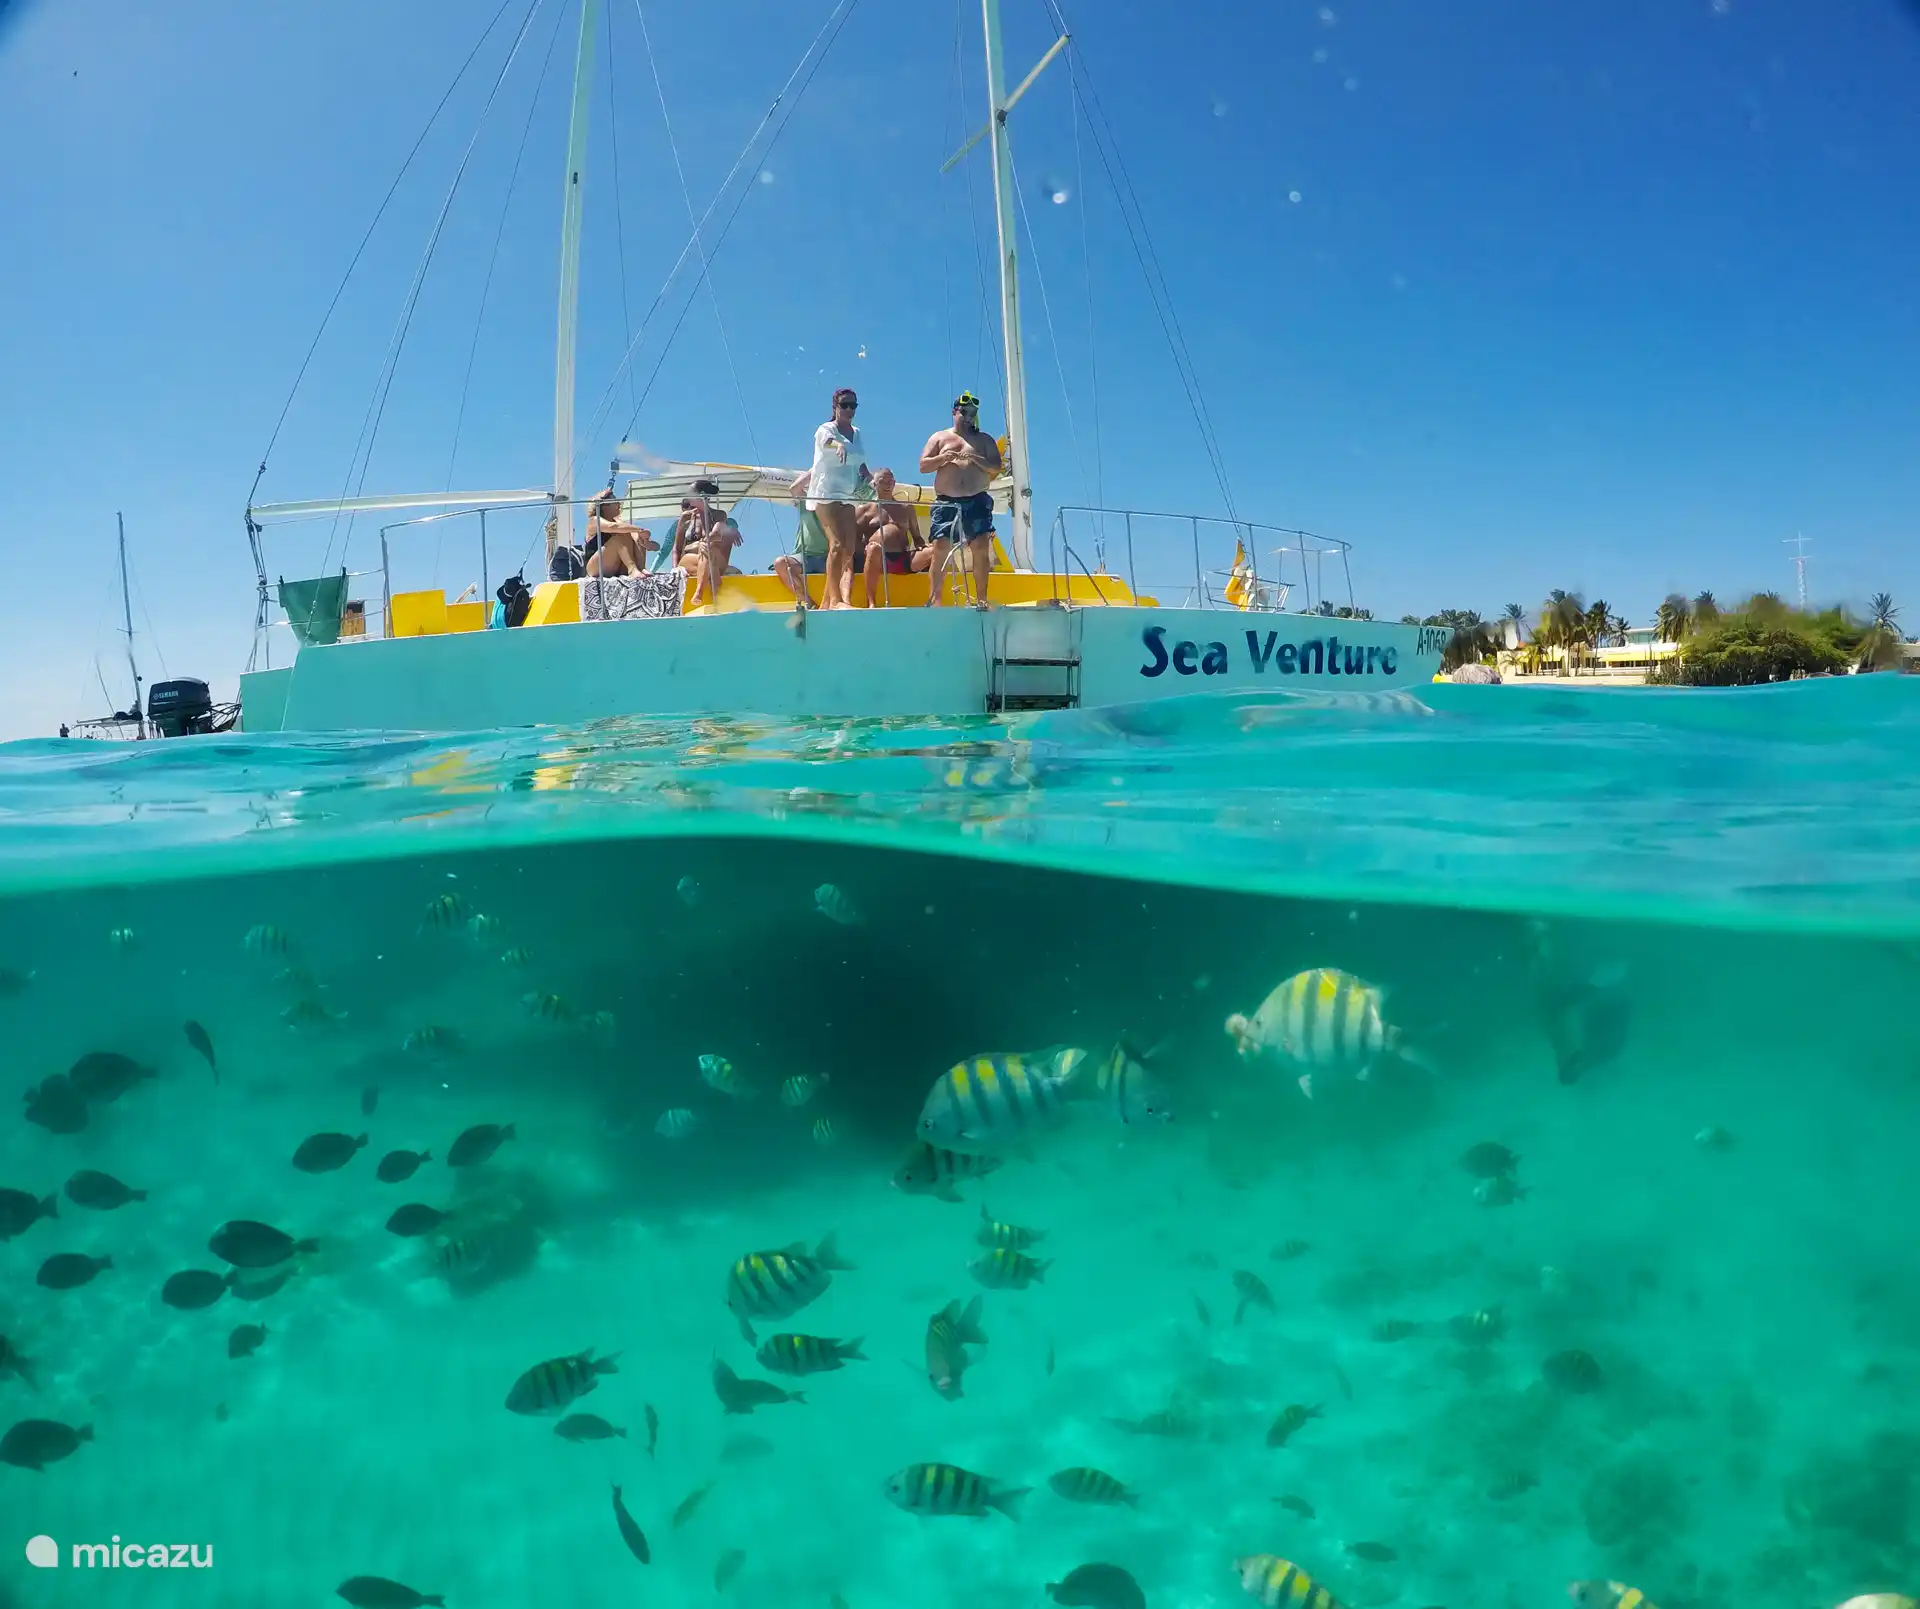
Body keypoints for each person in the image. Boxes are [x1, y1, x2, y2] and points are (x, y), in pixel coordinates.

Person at [918, 391, 1002, 606]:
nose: (968, 416)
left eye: (972, 413)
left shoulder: (984, 440)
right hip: (947, 501)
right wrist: (942, 458)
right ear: (954, 412)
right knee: (940, 547)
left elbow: (995, 467)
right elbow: (923, 466)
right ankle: (936, 600)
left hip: (977, 499)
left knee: (981, 547)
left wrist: (975, 458)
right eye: (964, 411)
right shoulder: (939, 437)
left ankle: (981, 599)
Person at [808, 388, 870, 609]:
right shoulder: (826, 429)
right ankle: (836, 600)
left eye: (853, 405)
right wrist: (839, 444)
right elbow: (827, 442)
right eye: (845, 405)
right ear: (835, 406)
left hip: (848, 493)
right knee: (836, 545)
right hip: (826, 492)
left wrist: (868, 474)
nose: (849, 409)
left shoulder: (857, 431)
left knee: (849, 548)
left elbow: (859, 459)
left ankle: (826, 601)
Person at [852, 467, 925, 607]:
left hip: (903, 558)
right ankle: (871, 602)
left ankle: (935, 599)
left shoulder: (906, 508)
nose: (887, 484)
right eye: (882, 481)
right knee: (873, 549)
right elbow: (855, 542)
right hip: (877, 561)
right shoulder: (863, 510)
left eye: (890, 481)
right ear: (874, 484)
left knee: (935, 550)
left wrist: (923, 546)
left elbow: (917, 537)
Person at [672, 477, 743, 606]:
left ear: (702, 495)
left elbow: (718, 534)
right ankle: (715, 586)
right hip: (690, 560)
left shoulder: (719, 515)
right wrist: (675, 569)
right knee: (706, 548)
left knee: (707, 548)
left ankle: (699, 591)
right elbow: (676, 548)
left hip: (714, 557)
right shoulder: (686, 517)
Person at [771, 471, 830, 609]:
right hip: (804, 556)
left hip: (829, 557)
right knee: (780, 563)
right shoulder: (807, 502)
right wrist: (818, 468)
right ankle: (809, 602)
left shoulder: (838, 506)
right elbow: (794, 488)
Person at [583, 489, 656, 577]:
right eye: (615, 501)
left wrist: (645, 541)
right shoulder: (594, 520)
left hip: (614, 567)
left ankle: (641, 568)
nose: (619, 504)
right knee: (620, 535)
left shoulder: (619, 523)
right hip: (595, 567)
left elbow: (656, 547)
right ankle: (632, 569)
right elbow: (612, 527)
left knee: (634, 534)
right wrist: (639, 530)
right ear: (604, 506)